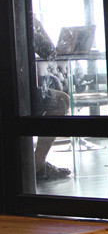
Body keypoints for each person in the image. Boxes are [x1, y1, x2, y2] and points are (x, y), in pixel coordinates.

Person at [31, 15, 71, 181]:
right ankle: (37, 163)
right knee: (62, 100)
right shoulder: (19, 24)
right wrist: (37, 24)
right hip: (18, 94)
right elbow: (50, 51)